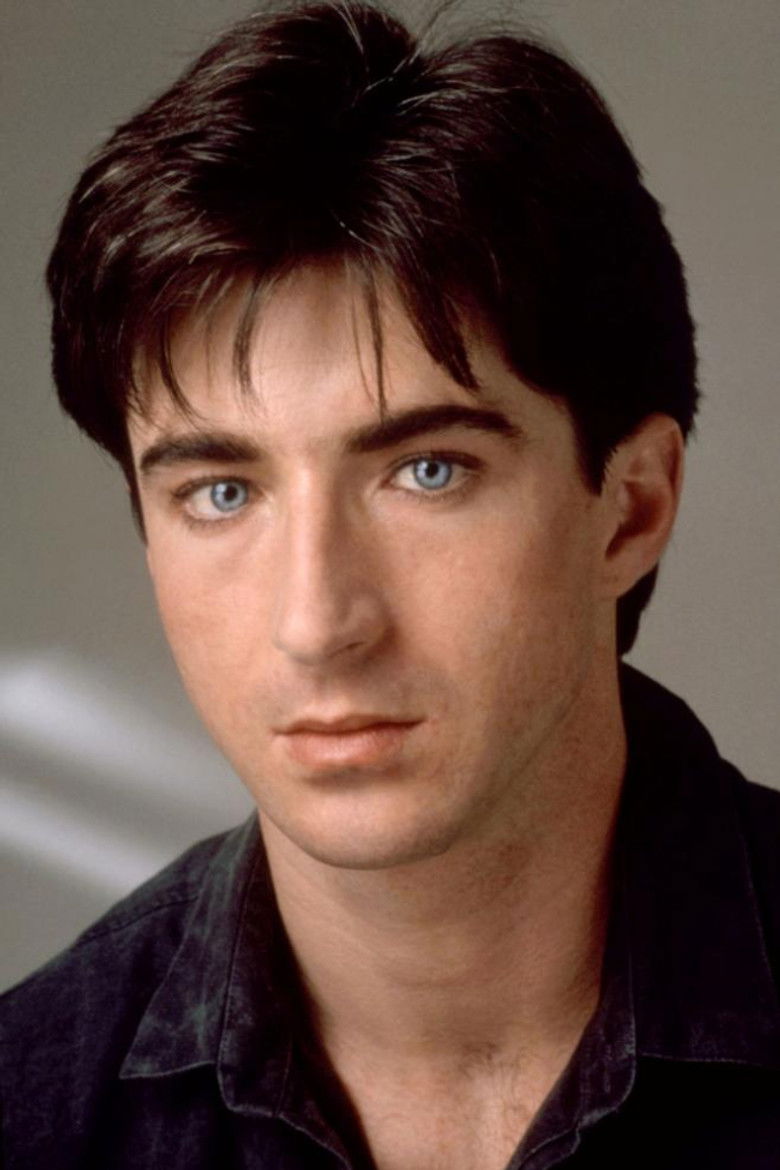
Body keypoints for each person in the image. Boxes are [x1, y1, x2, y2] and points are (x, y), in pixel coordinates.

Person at [1, 2, 779, 1167]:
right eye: (223, 491)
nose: (318, 624)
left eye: (428, 471)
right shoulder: (30, 1114)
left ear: (630, 509)